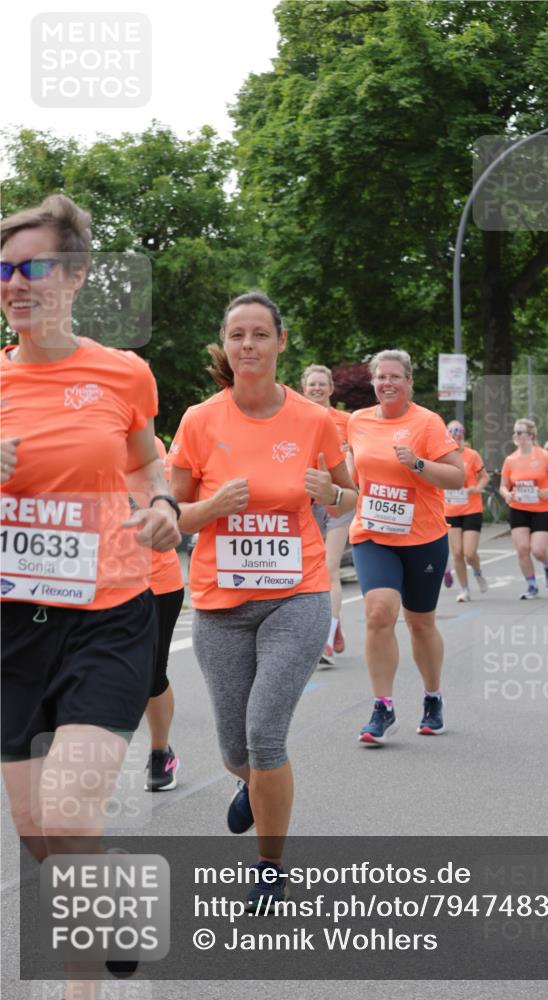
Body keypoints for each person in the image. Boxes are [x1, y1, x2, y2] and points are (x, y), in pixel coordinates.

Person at [0, 194, 180, 996]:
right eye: (4, 271)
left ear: (74, 279)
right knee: (39, 836)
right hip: (11, 630)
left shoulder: (121, 373)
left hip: (109, 614)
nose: (14, 284)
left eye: (32, 267)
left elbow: (147, 463)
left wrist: (165, 505)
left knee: (71, 818)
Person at [169, 292, 356, 909]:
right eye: (236, 335)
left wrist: (331, 488)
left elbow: (349, 498)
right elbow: (171, 517)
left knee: (264, 734)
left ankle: (270, 865)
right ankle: (253, 786)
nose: (247, 345)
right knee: (233, 747)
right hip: (220, 603)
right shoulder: (199, 420)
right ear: (225, 345)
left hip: (296, 594)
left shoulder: (313, 420)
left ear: (279, 341)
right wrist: (212, 508)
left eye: (259, 334)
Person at [347, 349, 463, 745]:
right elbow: (352, 480)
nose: (387, 383)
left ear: (409, 382)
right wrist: (330, 494)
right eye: (381, 377)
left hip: (423, 538)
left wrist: (417, 464)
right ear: (374, 382)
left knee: (420, 623)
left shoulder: (427, 423)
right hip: (372, 535)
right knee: (379, 613)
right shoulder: (357, 422)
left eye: (395, 377)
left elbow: (456, 476)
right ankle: (383, 707)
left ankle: (433, 697)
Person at [301, 364, 353, 665]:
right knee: (309, 571)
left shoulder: (346, 421)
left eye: (322, 384)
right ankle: (334, 625)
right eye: (312, 385)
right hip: (304, 502)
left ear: (331, 389)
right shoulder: (296, 419)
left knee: (328, 569)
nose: (317, 389)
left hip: (337, 500)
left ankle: (325, 641)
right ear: (304, 389)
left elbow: (359, 457)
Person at [144, 437, 185, 791]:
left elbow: (162, 496)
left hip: (156, 580)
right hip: (94, 581)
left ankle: (160, 751)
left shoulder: (149, 444)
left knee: (150, 676)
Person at [500, 418, 548, 600]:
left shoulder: (544, 456)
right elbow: (503, 486)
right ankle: (531, 585)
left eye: (520, 432)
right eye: (514, 432)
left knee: (538, 550)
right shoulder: (510, 460)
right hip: (518, 508)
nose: (516, 436)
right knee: (522, 549)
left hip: (542, 508)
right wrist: (507, 494)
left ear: (531, 435)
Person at [444, 421, 489, 602]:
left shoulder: (472, 455)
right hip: (450, 510)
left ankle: (477, 572)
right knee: (456, 553)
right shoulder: (442, 456)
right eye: (452, 434)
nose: (456, 437)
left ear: (463, 436)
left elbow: (484, 476)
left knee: (469, 553)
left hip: (471, 508)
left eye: (459, 434)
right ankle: (464, 589)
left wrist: (476, 488)